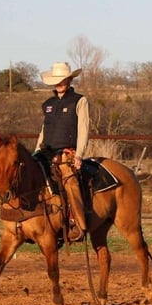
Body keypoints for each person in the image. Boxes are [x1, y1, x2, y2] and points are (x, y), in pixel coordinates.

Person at [34, 62, 90, 242]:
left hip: (67, 152)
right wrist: (35, 152)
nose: (59, 83)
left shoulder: (79, 101)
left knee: (69, 181)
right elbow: (44, 130)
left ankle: (77, 224)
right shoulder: (47, 105)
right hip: (46, 152)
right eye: (57, 80)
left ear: (69, 79)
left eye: (63, 80)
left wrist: (79, 154)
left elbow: (84, 129)